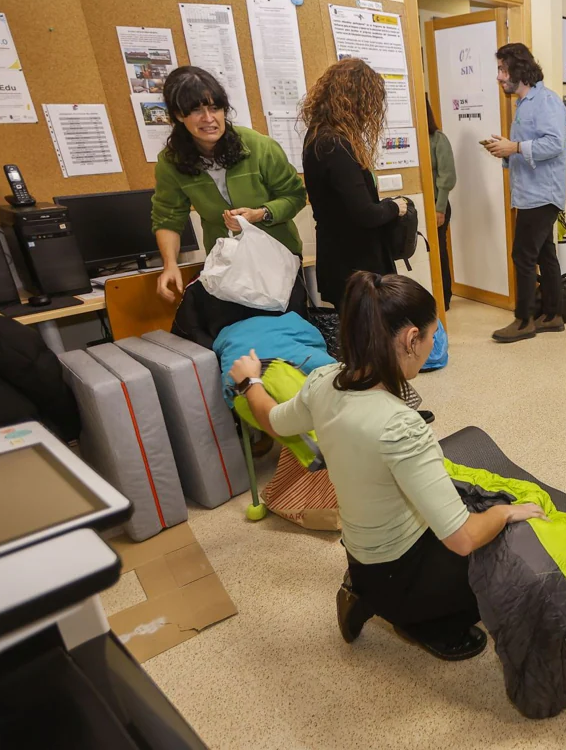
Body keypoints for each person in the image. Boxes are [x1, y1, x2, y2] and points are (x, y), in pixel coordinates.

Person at [228, 272, 545, 660]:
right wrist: (504, 512)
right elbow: (461, 538)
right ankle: (420, 621)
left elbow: (272, 419)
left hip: (362, 555)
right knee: (507, 570)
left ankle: (366, 592)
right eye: (431, 338)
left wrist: (249, 383)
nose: (431, 348)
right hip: (401, 573)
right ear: (411, 339)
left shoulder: (323, 382)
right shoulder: (401, 427)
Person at [152, 66, 306, 302]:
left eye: (215, 108)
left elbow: (295, 196)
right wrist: (170, 265)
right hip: (226, 265)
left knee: (287, 332)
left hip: (278, 258)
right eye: (196, 110)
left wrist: (260, 213)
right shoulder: (171, 162)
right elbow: (168, 218)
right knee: (236, 334)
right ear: (178, 115)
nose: (208, 118)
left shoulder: (258, 146)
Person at [301, 58, 409, 307]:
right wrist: (396, 206)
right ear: (357, 101)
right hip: (356, 266)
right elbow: (365, 213)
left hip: (341, 259)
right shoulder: (335, 144)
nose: (372, 112)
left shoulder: (317, 135)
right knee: (370, 339)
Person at [481, 43, 566, 343]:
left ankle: (524, 320)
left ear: (519, 70)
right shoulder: (524, 104)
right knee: (545, 254)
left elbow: (555, 144)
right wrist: (506, 148)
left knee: (522, 255)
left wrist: (515, 147)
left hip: (542, 194)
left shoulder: (546, 101)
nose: (499, 77)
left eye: (503, 70)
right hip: (531, 191)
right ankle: (554, 315)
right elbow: (530, 147)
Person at [427, 97, 457, 310]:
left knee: (439, 251)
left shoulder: (438, 139)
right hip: (417, 206)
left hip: (438, 204)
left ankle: (444, 297)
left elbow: (446, 177)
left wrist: (439, 208)